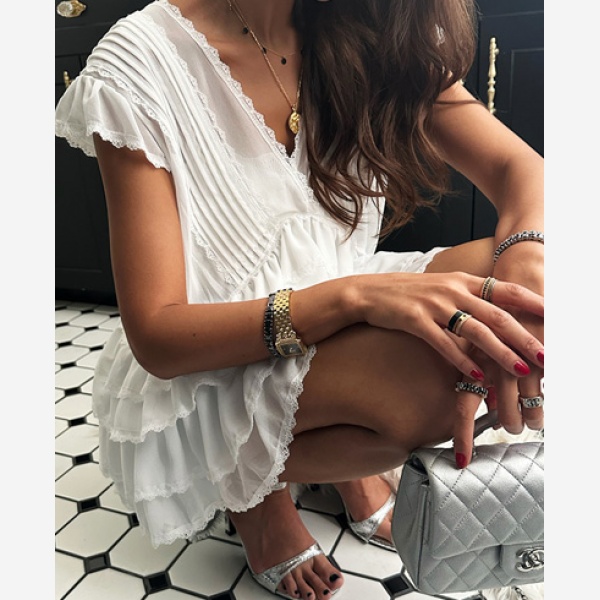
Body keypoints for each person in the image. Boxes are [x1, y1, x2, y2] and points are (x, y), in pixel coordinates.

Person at [55, 0, 544, 599]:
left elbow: (521, 168)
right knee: (437, 388)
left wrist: (530, 268)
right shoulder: (141, 57)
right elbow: (159, 338)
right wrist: (355, 298)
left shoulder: (373, 25)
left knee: (531, 287)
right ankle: (255, 498)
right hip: (214, 356)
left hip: (344, 290)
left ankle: (345, 463)